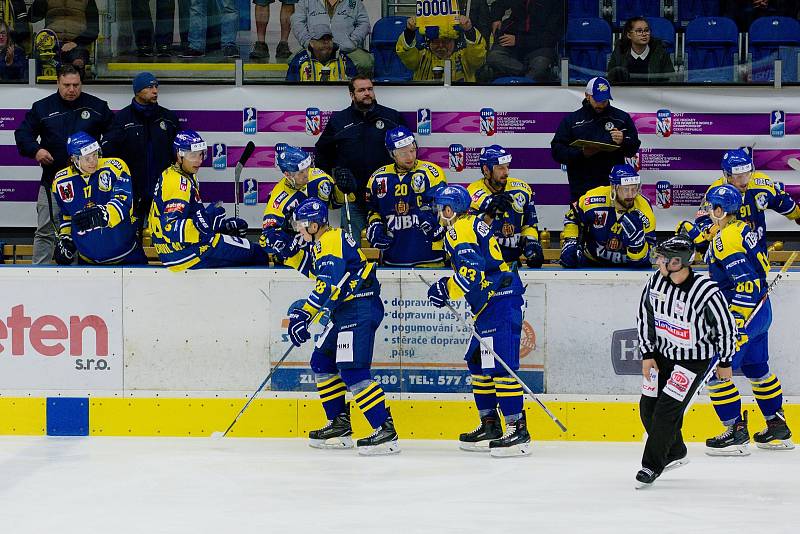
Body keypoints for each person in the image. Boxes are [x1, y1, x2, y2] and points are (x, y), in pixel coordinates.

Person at [283, 198, 399, 455]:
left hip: (359, 308)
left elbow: (327, 284)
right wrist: (290, 256)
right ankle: (339, 423)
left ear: (315, 224)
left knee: (352, 370)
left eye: (302, 224)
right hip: (345, 310)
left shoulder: (330, 240)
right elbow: (321, 276)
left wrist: (303, 314)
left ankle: (385, 430)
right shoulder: (324, 243)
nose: (299, 229)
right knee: (322, 360)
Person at [426, 185, 530, 457]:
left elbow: (471, 274)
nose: (438, 213)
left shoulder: (459, 230)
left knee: (500, 366)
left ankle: (517, 429)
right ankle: (490, 424)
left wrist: (445, 289)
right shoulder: (471, 224)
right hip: (488, 304)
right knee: (479, 363)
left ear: (450, 210)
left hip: (500, 300)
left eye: (440, 208)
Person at [634, 234, 737, 488]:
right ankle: (676, 450)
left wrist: (725, 360)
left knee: (666, 413)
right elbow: (645, 315)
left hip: (692, 362)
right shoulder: (656, 281)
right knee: (647, 409)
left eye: (662, 259)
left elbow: (725, 328)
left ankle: (651, 465)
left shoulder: (706, 291)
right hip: (661, 356)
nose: (657, 262)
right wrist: (648, 354)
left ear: (677, 263)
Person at [701, 184, 794, 455]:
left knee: (718, 373)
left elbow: (746, 283)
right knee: (757, 369)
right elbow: (757, 276)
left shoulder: (725, 239)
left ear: (720, 210)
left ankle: (735, 432)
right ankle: (777, 426)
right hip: (761, 312)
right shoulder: (742, 229)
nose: (708, 212)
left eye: (710, 208)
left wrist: (734, 321)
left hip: (743, 312)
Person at [14, 64, 113, 265]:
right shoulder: (42, 107)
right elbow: (22, 134)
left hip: (87, 185)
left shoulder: (97, 107)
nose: (71, 90)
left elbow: (116, 132)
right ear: (57, 82)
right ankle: (38, 273)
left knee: (84, 229)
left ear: (81, 84)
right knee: (45, 231)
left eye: (76, 85)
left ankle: (79, 274)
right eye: (66, 85)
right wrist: (36, 150)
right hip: (52, 182)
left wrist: (100, 152)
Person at [148, 130, 267, 270]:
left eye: (200, 154)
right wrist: (209, 219)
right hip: (184, 253)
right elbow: (170, 229)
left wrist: (223, 227)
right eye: (192, 155)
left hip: (178, 250)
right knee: (258, 254)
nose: (198, 160)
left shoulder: (178, 174)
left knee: (246, 252)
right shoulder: (178, 183)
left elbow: (196, 222)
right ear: (179, 156)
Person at [314, 76, 407, 238]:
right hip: (352, 198)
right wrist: (334, 179)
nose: (367, 93)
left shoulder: (391, 117)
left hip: (386, 197)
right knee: (353, 248)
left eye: (370, 89)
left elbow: (409, 150)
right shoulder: (339, 120)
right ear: (352, 95)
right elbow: (322, 152)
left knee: (388, 246)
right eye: (361, 90)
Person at [679, 149, 800, 255]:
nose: (744, 180)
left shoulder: (761, 184)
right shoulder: (716, 192)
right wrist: (709, 229)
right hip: (727, 253)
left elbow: (782, 202)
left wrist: (797, 213)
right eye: (738, 176)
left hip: (757, 253)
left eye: (747, 174)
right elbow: (702, 220)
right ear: (728, 175)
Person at [51, 132, 147, 265]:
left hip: (126, 255)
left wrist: (103, 214)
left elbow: (123, 202)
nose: (93, 161)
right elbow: (67, 215)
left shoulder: (114, 167)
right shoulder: (61, 181)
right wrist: (67, 239)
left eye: (95, 155)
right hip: (87, 261)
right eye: (87, 158)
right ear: (74, 159)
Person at [102, 72, 180, 233]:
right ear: (137, 91)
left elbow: (178, 154)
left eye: (156, 86)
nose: (155, 91)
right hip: (132, 190)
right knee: (129, 233)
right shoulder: (122, 119)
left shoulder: (168, 117)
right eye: (149, 87)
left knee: (165, 233)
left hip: (162, 188)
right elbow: (109, 153)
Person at [365, 127, 447, 267]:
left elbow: (446, 209)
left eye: (412, 150)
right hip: (392, 260)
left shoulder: (432, 173)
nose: (410, 157)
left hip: (431, 260)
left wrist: (439, 225)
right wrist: (374, 225)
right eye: (403, 153)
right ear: (392, 154)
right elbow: (373, 210)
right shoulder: (378, 177)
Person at [551, 77, 641, 202]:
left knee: (613, 221)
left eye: (605, 100)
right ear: (587, 95)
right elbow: (557, 151)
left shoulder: (621, 118)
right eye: (597, 100)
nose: (601, 104)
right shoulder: (571, 120)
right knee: (582, 220)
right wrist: (581, 153)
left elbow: (633, 148)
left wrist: (623, 141)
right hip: (582, 186)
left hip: (612, 186)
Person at [560, 164, 656, 268]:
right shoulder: (593, 199)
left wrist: (637, 247)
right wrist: (571, 241)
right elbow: (573, 217)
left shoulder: (644, 208)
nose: (630, 194)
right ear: (613, 187)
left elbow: (652, 255)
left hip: (628, 266)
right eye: (625, 189)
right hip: (592, 262)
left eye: (634, 189)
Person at [260, 145, 345, 261]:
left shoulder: (319, 177)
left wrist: (343, 189)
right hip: (298, 257)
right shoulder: (278, 198)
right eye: (301, 172)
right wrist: (293, 225)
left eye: (307, 168)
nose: (306, 174)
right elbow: (268, 239)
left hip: (325, 249)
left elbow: (335, 204)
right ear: (288, 174)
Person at [467, 145, 543, 267]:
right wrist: (489, 214)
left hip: (513, 264)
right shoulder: (472, 194)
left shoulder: (522, 189)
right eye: (500, 168)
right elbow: (469, 232)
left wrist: (531, 243)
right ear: (486, 169)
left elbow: (529, 224)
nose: (506, 172)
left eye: (507, 167)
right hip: (485, 267)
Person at [485, 0, 564, 82]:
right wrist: (496, 18)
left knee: (539, 66)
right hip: (512, 42)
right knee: (493, 58)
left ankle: (525, 78)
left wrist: (518, 41)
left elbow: (551, 38)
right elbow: (498, 4)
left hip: (539, 47)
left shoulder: (557, 3)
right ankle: (526, 72)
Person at [291, 0, 372, 74]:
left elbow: (364, 23)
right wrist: (308, 42)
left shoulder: (355, 2)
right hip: (314, 49)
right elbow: (297, 22)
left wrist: (352, 41)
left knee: (366, 62)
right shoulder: (306, 1)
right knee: (292, 61)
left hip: (346, 49)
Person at [397, 16, 486, 83]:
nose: (440, 46)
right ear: (429, 42)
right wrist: (409, 32)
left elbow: (478, 55)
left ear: (454, 41)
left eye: (445, 41)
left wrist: (469, 30)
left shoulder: (465, 56)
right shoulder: (421, 56)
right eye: (435, 42)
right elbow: (405, 52)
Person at [29, 0, 99, 74]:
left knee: (77, 63)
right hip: (51, 43)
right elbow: (32, 18)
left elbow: (93, 30)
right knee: (37, 60)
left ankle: (73, 83)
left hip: (77, 45)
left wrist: (75, 43)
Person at [606, 17, 675, 83]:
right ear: (629, 35)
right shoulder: (619, 52)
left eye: (646, 30)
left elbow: (670, 80)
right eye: (639, 31)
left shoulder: (660, 52)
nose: (644, 34)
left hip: (653, 94)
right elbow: (610, 80)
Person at [285, 23, 357, 82]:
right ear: (312, 43)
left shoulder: (344, 60)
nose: (326, 42)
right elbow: (291, 88)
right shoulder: (299, 61)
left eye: (329, 39)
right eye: (322, 39)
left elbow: (355, 85)